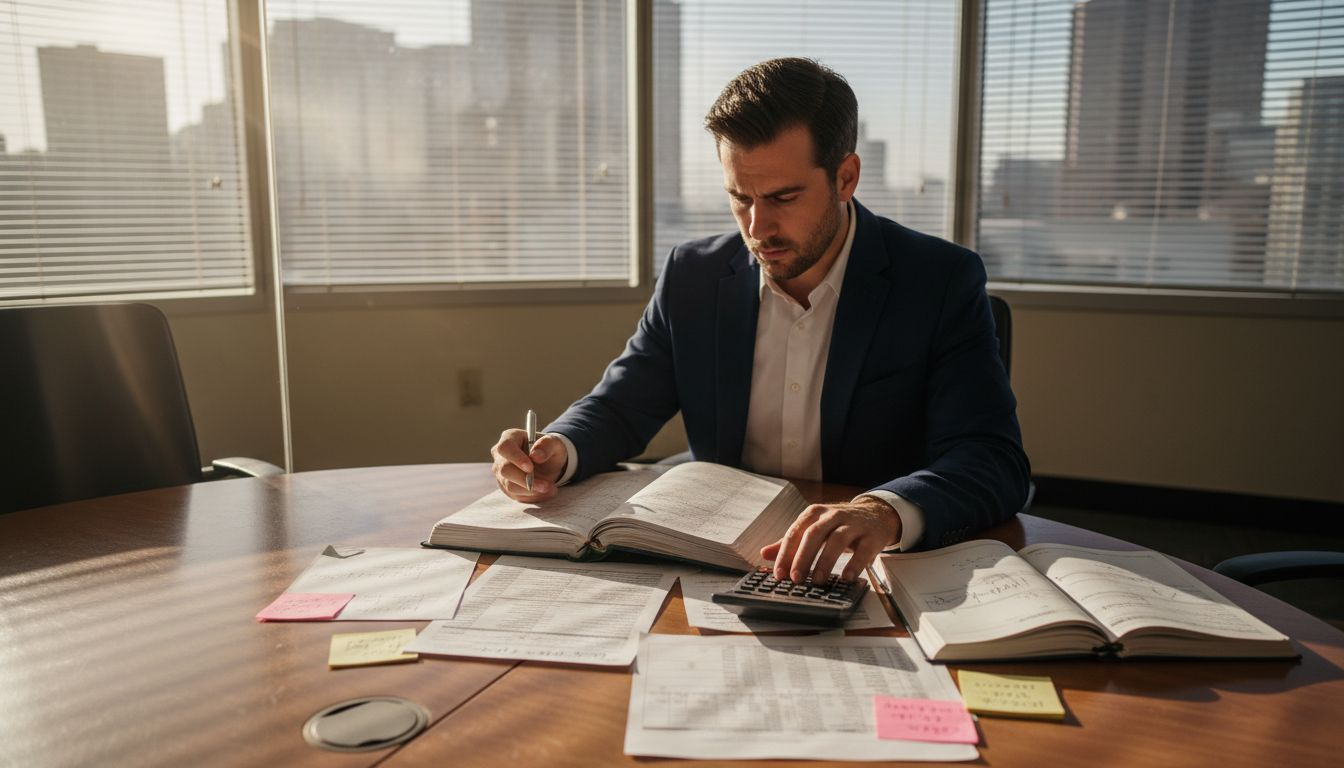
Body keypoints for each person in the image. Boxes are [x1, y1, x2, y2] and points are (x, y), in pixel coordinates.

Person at [491, 57, 1029, 585]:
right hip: (713, 552)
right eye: (739, 197)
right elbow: (623, 403)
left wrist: (882, 510)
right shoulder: (694, 275)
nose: (758, 227)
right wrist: (557, 449)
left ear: (846, 177)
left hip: (866, 567)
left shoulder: (938, 280)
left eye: (783, 197)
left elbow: (992, 458)